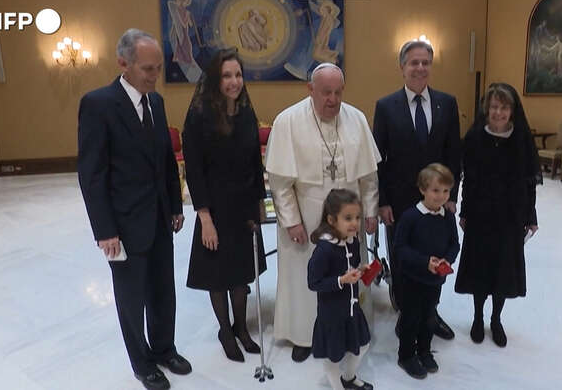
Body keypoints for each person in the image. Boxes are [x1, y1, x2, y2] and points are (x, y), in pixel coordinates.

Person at [77, 28, 192, 390]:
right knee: (131, 298)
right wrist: (105, 231)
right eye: (147, 69)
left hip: (159, 218)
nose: (154, 76)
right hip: (124, 225)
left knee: (163, 290)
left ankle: (163, 348)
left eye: (157, 68)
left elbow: (165, 161)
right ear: (123, 63)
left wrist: (175, 205)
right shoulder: (98, 104)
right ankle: (142, 364)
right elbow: (92, 175)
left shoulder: (155, 103)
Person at [265, 63, 381, 362]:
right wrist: (291, 222)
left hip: (350, 219)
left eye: (338, 92)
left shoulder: (356, 118)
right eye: (326, 93)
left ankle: (350, 329)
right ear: (310, 90)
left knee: (348, 273)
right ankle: (305, 335)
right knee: (308, 278)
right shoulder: (287, 121)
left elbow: (368, 176)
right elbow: (280, 183)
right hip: (306, 216)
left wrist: (369, 212)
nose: (333, 100)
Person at [181, 48, 267, 362]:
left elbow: (255, 161)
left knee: (241, 272)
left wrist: (259, 200)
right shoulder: (200, 115)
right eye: (227, 75)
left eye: (238, 74)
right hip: (214, 208)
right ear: (216, 79)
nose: (234, 82)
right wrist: (204, 218)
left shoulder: (245, 112)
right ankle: (225, 331)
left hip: (243, 205)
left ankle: (242, 327)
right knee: (218, 274)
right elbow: (194, 170)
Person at [372, 40, 461, 340]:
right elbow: (378, 159)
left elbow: (453, 156)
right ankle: (407, 316)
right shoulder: (385, 107)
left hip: (437, 202)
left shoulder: (447, 103)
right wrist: (382, 201)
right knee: (402, 260)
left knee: (436, 258)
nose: (420, 68)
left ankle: (431, 313)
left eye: (425, 62)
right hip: (399, 203)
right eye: (414, 62)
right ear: (402, 67)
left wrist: (452, 198)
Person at [454, 83, 541, 348]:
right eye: (493, 106)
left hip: (511, 216)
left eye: (503, 107)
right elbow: (467, 180)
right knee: (480, 267)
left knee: (503, 270)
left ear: (512, 111)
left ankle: (496, 319)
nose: (498, 112)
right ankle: (478, 318)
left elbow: (529, 183)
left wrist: (531, 215)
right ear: (486, 108)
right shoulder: (474, 138)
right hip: (480, 214)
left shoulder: (522, 139)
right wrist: (465, 211)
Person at [393, 163, 459, 379]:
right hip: (412, 279)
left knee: (429, 317)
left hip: (435, 281)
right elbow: (400, 248)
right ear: (422, 189)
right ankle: (406, 355)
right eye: (435, 190)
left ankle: (424, 350)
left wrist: (446, 260)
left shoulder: (447, 217)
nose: (441, 196)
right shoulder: (411, 216)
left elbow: (454, 244)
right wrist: (424, 262)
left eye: (446, 191)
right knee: (411, 318)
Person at [308, 189, 374, 390]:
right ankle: (338, 387)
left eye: (357, 217)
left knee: (362, 345)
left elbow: (351, 267)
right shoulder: (324, 249)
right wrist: (341, 280)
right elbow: (314, 283)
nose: (355, 223)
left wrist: (361, 270)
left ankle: (349, 377)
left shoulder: (353, 241)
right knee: (333, 355)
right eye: (348, 218)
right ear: (331, 219)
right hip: (332, 314)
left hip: (352, 309)